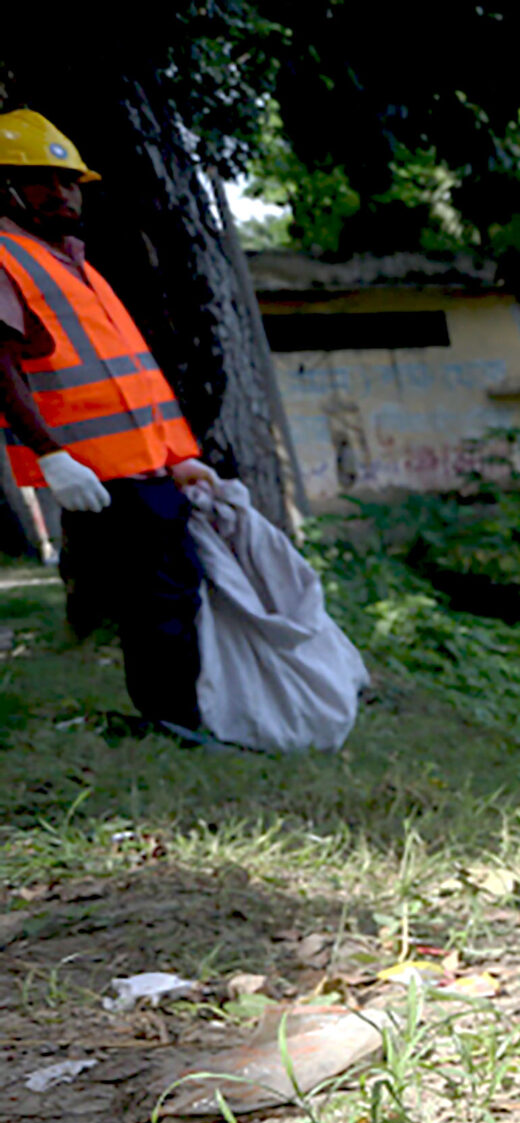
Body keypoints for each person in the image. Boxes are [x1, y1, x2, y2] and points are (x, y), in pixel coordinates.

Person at [0, 108, 215, 735]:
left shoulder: (72, 261)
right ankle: (176, 726)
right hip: (95, 472)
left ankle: (173, 719)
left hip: (142, 467)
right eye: (40, 179)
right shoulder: (8, 256)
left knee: (162, 595)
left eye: (69, 182)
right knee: (164, 599)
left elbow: (131, 380)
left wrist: (178, 457)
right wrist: (50, 454)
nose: (62, 192)